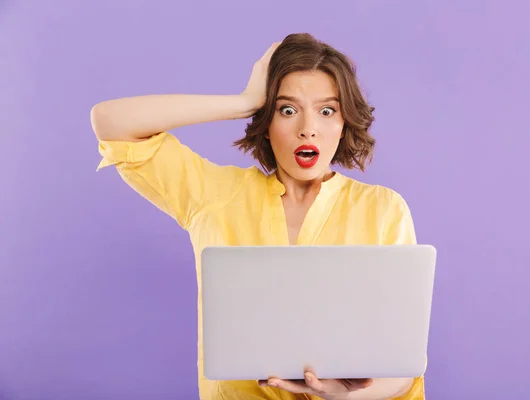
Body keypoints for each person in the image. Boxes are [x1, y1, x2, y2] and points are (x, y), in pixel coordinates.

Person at [91, 33, 426, 400]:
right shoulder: (215, 196)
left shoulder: (383, 209)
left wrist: (343, 395)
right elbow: (110, 120)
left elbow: (404, 367)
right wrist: (243, 102)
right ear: (266, 121)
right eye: (287, 109)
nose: (307, 128)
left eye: (326, 110)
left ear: (344, 122)